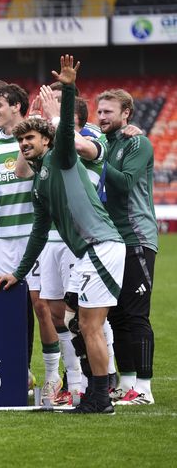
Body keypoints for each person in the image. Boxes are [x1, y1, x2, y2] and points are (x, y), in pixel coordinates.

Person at [0, 55, 126, 414]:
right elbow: (38, 232)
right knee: (78, 322)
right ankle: (95, 392)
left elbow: (65, 129)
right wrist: (18, 274)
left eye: (31, 139)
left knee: (89, 325)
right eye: (21, 141)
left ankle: (101, 396)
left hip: (101, 246)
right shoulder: (39, 180)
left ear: (47, 141)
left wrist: (68, 89)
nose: (24, 145)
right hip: (90, 251)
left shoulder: (62, 158)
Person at [0, 84, 59, 403]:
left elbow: (21, 171)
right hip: (3, 236)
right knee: (8, 306)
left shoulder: (38, 137)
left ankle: (54, 377)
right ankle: (20, 372)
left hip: (34, 233)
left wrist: (27, 131)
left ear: (17, 107)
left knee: (42, 306)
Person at [98, 88, 159, 406]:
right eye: (100, 112)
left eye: (109, 112)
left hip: (136, 238)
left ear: (126, 114)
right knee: (118, 316)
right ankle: (127, 384)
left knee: (136, 316)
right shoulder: (104, 143)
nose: (102, 117)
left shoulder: (138, 142)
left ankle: (145, 390)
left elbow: (123, 182)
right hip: (112, 240)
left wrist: (95, 158)